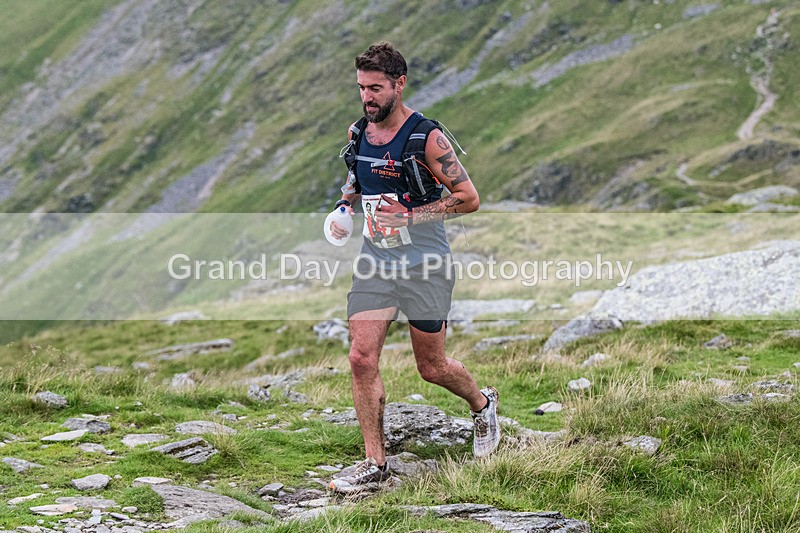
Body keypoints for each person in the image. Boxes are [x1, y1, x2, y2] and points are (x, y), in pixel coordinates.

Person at [327, 42, 500, 492]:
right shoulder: (358, 132)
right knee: (361, 357)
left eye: (376, 88)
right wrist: (344, 209)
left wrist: (409, 216)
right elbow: (355, 179)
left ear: (399, 85)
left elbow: (469, 199)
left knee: (433, 367)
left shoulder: (427, 138)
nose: (368, 97)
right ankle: (374, 463)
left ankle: (482, 405)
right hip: (376, 262)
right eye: (362, 87)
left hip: (426, 264)